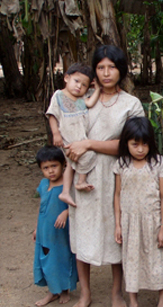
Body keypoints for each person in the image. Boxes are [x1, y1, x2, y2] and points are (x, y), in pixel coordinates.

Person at [64, 45, 145, 307]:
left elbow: (131, 144)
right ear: (94, 70)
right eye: (100, 67)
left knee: (116, 232)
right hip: (83, 176)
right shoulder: (81, 98)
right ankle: (85, 294)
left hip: (115, 176)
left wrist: (88, 143)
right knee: (82, 230)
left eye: (112, 67)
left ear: (121, 70)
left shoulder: (131, 103)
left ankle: (116, 292)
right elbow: (67, 133)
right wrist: (74, 146)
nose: (106, 72)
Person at [113, 117, 163, 307]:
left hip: (153, 222)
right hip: (129, 223)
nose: (140, 149)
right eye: (134, 144)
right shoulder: (121, 164)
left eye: (144, 144)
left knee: (158, 262)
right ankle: (134, 305)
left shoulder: (158, 163)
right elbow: (117, 194)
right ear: (126, 143)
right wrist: (118, 224)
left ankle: (161, 305)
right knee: (131, 262)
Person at [46, 63, 101, 207]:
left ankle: (65, 192)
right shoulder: (58, 95)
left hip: (80, 135)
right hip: (68, 136)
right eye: (76, 81)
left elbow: (90, 103)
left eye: (84, 85)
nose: (79, 87)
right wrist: (55, 134)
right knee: (88, 156)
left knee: (70, 164)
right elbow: (52, 115)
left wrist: (98, 89)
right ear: (66, 78)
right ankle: (80, 181)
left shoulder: (82, 98)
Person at [33, 146, 78, 307]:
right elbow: (41, 206)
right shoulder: (44, 184)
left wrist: (65, 213)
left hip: (61, 234)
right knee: (47, 260)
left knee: (63, 258)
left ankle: (65, 289)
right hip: (45, 231)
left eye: (54, 166)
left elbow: (76, 203)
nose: (51, 171)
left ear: (63, 165)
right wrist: (36, 228)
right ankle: (52, 291)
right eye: (46, 168)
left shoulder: (67, 186)